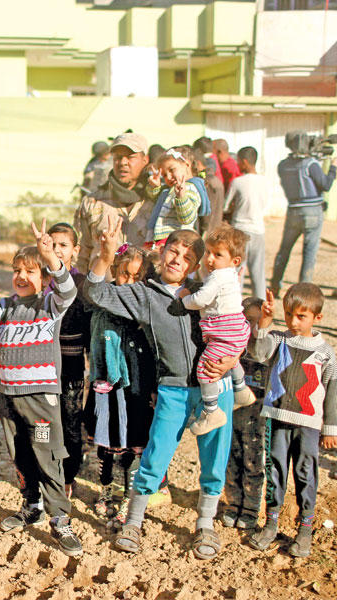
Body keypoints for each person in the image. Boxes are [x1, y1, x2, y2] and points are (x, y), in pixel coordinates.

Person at [84, 221, 238, 560]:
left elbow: (237, 323)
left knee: (215, 458)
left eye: (186, 257)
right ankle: (134, 520)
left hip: (216, 387)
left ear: (195, 265)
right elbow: (95, 293)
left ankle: (206, 523)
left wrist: (233, 358)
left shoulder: (206, 291)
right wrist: (106, 255)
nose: (177, 260)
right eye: (173, 251)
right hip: (173, 390)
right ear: (163, 251)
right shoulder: (144, 294)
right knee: (155, 455)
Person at [0, 222, 82, 557]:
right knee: (22, 456)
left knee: (47, 455)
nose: (21, 276)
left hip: (41, 402)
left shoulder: (49, 306)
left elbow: (68, 290)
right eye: (17, 270)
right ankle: (31, 506)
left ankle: (60, 520)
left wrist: (50, 257)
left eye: (30, 271)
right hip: (10, 400)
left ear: (44, 278)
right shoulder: (6, 305)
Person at [248, 285, 337, 558]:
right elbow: (259, 353)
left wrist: (330, 428)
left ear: (317, 318)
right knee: (275, 469)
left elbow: (331, 393)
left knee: (305, 472)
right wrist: (264, 323)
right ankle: (271, 523)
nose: (293, 322)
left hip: (308, 424)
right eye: (288, 315)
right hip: (277, 417)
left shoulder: (326, 353)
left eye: (301, 316)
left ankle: (305, 527)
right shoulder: (278, 339)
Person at [85, 244, 157, 526]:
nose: (127, 282)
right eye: (123, 274)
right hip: (107, 386)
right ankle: (105, 489)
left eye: (134, 277)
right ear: (114, 271)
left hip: (136, 388)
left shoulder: (145, 310)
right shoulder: (102, 305)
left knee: (134, 444)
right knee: (106, 442)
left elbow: (153, 353)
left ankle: (129, 495)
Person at [178, 225, 256, 435]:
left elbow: (200, 300)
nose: (209, 259)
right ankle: (241, 390)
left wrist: (185, 297)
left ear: (235, 260)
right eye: (208, 253)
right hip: (237, 330)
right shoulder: (231, 274)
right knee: (231, 358)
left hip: (224, 332)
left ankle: (212, 412)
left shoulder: (217, 277)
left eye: (217, 255)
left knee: (205, 368)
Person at [46, 222, 92, 499]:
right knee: (43, 423)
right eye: (52, 244)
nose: (57, 250)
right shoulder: (38, 282)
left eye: (63, 245)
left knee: (70, 422)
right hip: (41, 369)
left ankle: (68, 474)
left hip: (72, 366)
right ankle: (46, 469)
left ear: (75, 250)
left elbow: (89, 329)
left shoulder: (83, 283)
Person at [73, 132, 160, 274]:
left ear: (145, 160)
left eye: (130, 157)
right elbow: (80, 253)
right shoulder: (93, 203)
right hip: (100, 290)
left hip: (144, 290)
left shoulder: (157, 201)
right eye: (118, 157)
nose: (123, 162)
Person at [221, 297, 269, 530]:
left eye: (257, 321)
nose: (251, 326)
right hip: (232, 415)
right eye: (247, 320)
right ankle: (233, 503)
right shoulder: (230, 348)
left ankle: (250, 508)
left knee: (253, 463)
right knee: (231, 460)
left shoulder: (267, 351)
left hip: (256, 419)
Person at [270, 131, 337, 295]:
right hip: (313, 211)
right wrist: (333, 167)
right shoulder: (311, 164)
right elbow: (326, 185)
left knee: (284, 250)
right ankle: (302, 292)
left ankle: (275, 286)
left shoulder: (283, 165)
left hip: (293, 210)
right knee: (309, 252)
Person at [223, 146, 269, 300]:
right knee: (258, 271)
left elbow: (226, 206)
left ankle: (234, 304)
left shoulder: (238, 182)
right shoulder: (264, 181)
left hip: (240, 229)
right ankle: (261, 306)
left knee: (237, 270)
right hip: (258, 230)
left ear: (244, 162)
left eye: (238, 162)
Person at [146, 146, 204, 247]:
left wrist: (181, 198)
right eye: (164, 175)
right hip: (161, 239)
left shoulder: (190, 188)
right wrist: (155, 187)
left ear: (186, 164)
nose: (168, 177)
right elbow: (157, 200)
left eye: (172, 170)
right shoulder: (171, 189)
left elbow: (187, 218)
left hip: (174, 240)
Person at [191, 147, 225, 237]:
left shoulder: (206, 182)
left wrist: (202, 232)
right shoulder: (214, 179)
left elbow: (207, 215)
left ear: (197, 164)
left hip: (207, 233)